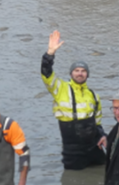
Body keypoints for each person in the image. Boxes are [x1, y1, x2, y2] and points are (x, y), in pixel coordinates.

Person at [41, 30, 107, 170]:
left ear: (87, 75)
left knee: (103, 172)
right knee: (73, 179)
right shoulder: (60, 88)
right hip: (72, 151)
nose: (80, 73)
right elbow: (46, 74)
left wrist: (103, 135)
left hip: (94, 147)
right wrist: (50, 54)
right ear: (71, 74)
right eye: (76, 70)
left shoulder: (94, 95)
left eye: (83, 71)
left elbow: (97, 122)